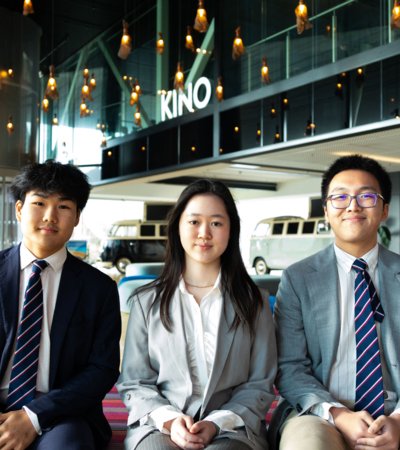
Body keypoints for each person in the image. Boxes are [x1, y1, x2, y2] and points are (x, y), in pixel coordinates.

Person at [117, 179, 277, 450]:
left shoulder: (255, 302)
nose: (204, 233)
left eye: (216, 223)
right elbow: (134, 381)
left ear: (230, 231)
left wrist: (217, 422)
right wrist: (170, 420)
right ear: (178, 227)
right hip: (160, 424)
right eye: (194, 222)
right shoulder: (146, 302)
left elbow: (260, 383)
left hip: (233, 427)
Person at [270, 154, 400, 450]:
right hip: (319, 412)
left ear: (384, 211)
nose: (353, 205)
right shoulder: (297, 278)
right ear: (327, 211)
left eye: (367, 196)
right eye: (340, 197)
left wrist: (398, 420)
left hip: (393, 412)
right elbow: (290, 367)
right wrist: (339, 415)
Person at [0, 160, 121, 450]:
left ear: (77, 216)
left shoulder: (99, 288)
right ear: (19, 209)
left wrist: (33, 416)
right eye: (39, 203)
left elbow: (102, 369)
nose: (50, 216)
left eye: (64, 207)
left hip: (62, 413)